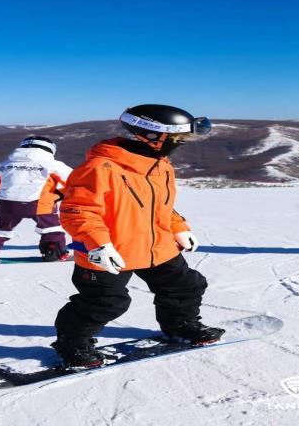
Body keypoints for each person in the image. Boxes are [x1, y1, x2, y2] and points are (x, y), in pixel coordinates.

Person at [52, 104, 225, 369]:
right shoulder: (100, 167)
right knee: (104, 302)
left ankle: (180, 324)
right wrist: (98, 244)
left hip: (158, 246)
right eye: (177, 137)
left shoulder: (160, 166)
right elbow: (78, 210)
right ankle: (72, 342)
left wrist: (178, 227)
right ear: (153, 136)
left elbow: (160, 206)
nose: (180, 143)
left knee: (185, 286)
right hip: (111, 250)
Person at [0, 136, 73, 264]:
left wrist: (6, 191)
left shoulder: (5, 164)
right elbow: (74, 180)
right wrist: (59, 194)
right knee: (51, 228)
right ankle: (53, 251)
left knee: (1, 228)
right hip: (40, 204)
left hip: (7, 204)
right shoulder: (53, 164)